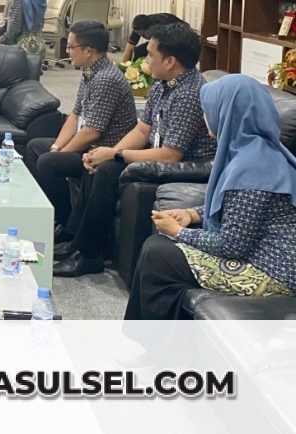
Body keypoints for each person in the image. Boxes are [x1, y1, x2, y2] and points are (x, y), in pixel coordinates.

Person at [125, 75, 296, 319]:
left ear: (226, 113)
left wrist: (178, 232)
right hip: (261, 257)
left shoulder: (253, 166)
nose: (204, 116)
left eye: (208, 110)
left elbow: (231, 246)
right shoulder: (254, 151)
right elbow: (239, 209)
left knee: (158, 255)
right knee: (158, 249)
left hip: (270, 273)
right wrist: (192, 214)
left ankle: (153, 341)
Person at [54, 22, 217, 277]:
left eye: (150, 55)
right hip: (161, 155)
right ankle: (76, 241)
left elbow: (171, 155)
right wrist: (105, 153)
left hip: (185, 166)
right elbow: (142, 130)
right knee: (98, 163)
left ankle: (89, 255)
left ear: (170, 61)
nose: (146, 60)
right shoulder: (164, 84)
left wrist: (115, 154)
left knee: (108, 170)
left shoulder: (189, 94)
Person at [24, 19, 137, 235]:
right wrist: (56, 147)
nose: (67, 51)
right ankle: (57, 216)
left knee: (48, 162)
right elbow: (75, 115)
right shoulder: (90, 72)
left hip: (102, 151)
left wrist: (60, 154)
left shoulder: (105, 79)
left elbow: (91, 132)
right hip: (88, 145)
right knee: (36, 147)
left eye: (71, 47)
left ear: (88, 51)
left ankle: (66, 226)